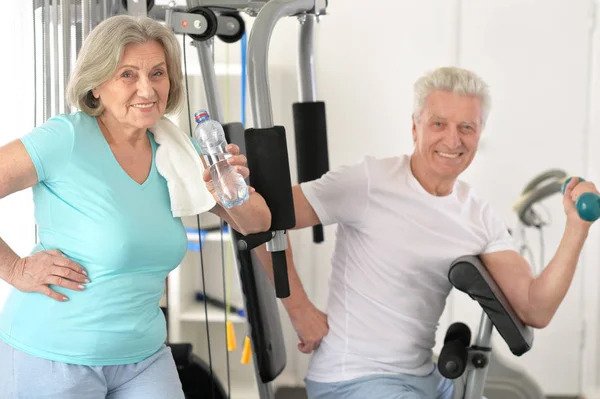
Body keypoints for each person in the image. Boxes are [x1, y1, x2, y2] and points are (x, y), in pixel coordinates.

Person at [248, 66, 599, 398]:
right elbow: (263, 215)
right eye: (438, 123)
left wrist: (576, 227)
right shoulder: (370, 181)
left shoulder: (477, 215)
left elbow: (535, 310)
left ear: (479, 135)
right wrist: (299, 310)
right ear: (415, 128)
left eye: (467, 127)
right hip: (351, 379)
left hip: (424, 377)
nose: (452, 139)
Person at [0, 15, 270, 399]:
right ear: (96, 84)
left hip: (142, 357)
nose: (147, 88)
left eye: (157, 73)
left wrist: (232, 191)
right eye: (128, 74)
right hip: (53, 354)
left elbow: (258, 222)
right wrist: (15, 268)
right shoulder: (65, 138)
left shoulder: (179, 151)